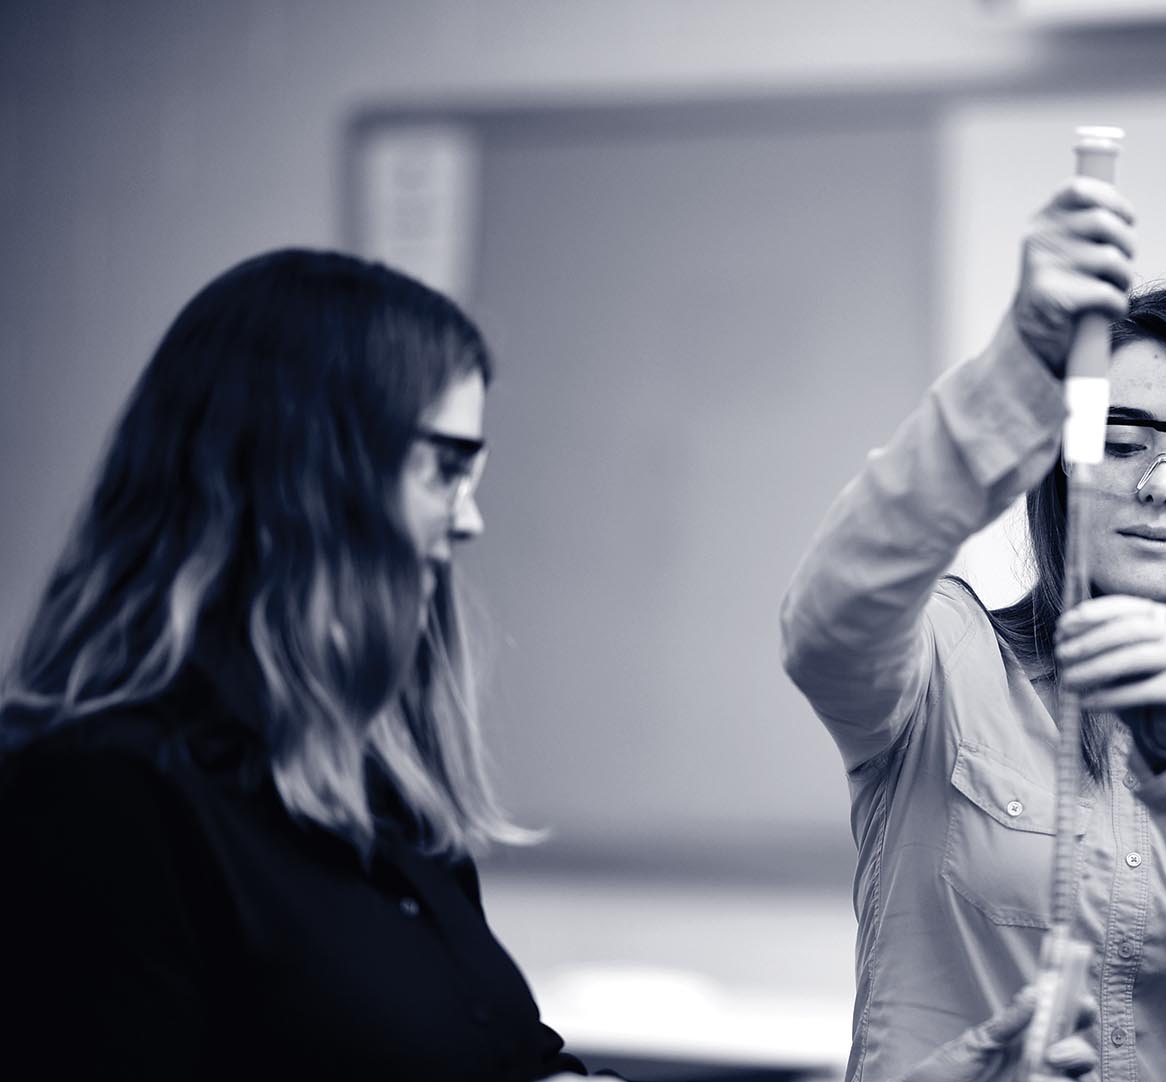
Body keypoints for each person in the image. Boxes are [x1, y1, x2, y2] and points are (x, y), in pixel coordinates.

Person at [0, 250, 1094, 1082]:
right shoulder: (98, 796)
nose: (470, 517)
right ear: (307, 476)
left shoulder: (380, 803)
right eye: (443, 467)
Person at [780, 176, 1166, 1082]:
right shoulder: (950, 658)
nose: (1163, 487)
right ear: (1065, 467)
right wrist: (1018, 363)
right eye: (1124, 441)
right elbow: (830, 619)